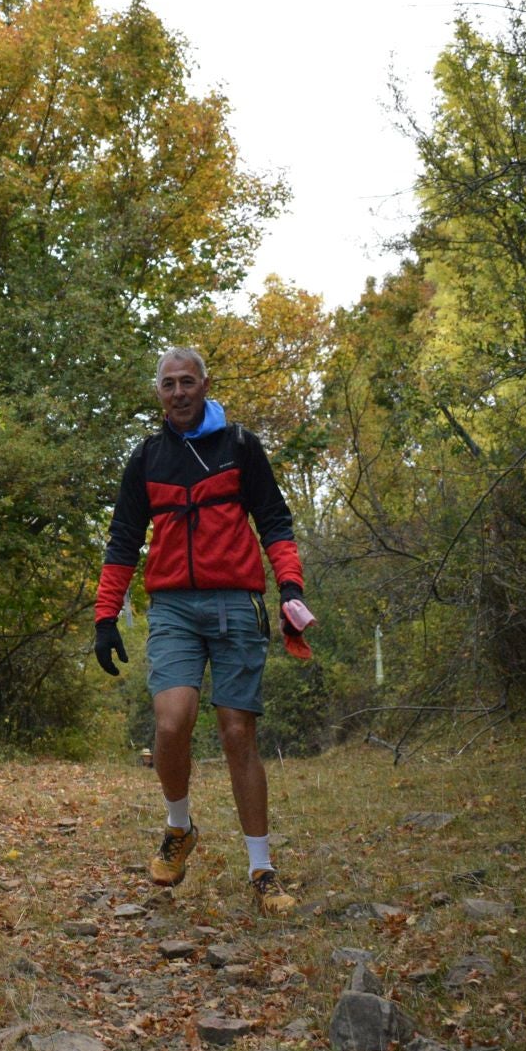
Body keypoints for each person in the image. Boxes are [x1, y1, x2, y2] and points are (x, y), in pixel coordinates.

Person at [93, 347, 318, 916]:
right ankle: (179, 828)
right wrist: (105, 616)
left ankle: (262, 870)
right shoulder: (146, 459)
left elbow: (274, 520)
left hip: (237, 604)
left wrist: (289, 586)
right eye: (167, 384)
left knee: (237, 733)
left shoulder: (240, 446)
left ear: (204, 384)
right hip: (171, 607)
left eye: (186, 382)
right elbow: (122, 540)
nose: (178, 392)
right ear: (158, 393)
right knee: (171, 722)